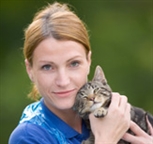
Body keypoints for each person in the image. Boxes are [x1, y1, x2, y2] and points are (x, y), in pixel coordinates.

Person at [9, 2, 153, 144]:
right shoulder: (28, 137)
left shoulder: (105, 116)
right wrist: (106, 139)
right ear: (30, 70)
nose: (63, 81)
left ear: (88, 61)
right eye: (47, 67)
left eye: (74, 64)